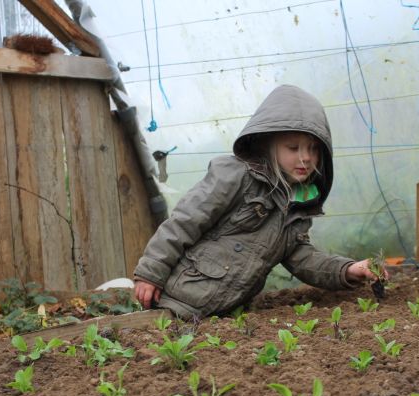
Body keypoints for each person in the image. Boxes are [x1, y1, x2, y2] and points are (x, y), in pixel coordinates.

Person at [133, 84, 386, 318]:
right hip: (176, 303)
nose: (306, 158)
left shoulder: (298, 204)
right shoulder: (235, 176)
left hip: (227, 316)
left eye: (313, 149)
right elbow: (184, 222)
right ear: (267, 145)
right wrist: (150, 275)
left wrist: (349, 269)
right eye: (293, 147)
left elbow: (302, 258)